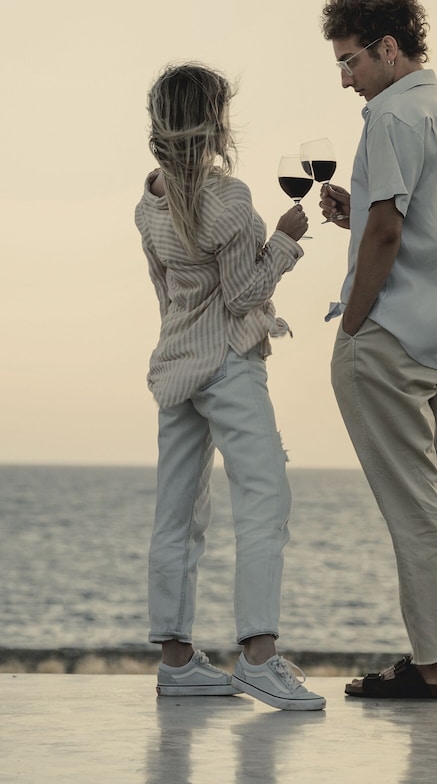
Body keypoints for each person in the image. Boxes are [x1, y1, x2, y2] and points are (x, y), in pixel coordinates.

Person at [319, 0, 437, 699]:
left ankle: (433, 667)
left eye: (350, 61)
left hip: (389, 336)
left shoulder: (390, 118)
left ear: (388, 48)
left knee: (413, 507)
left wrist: (354, 322)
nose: (346, 79)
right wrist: (357, 214)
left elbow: (390, 233)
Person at [135, 62, 325, 711]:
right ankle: (259, 659)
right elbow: (245, 294)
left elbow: (165, 293)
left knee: (176, 513)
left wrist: (183, 341)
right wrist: (285, 242)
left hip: (176, 365)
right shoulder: (231, 199)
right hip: (227, 363)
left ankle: (176, 662)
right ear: (214, 122)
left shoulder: (149, 200)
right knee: (264, 499)